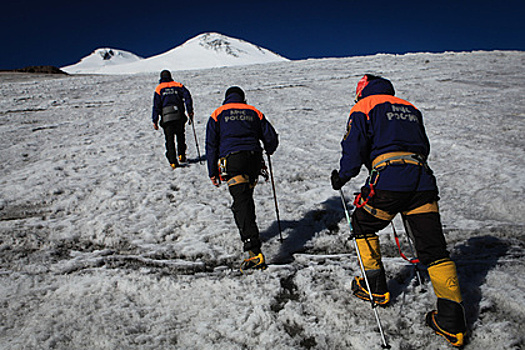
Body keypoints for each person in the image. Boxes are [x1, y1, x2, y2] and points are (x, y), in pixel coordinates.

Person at [331, 74, 467, 347]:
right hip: (422, 180)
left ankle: (375, 288)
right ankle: (452, 321)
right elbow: (423, 147)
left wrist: (343, 176)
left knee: (362, 223)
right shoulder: (410, 109)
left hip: (390, 181)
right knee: (433, 248)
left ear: (362, 90)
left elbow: (354, 146)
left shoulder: (364, 107)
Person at [206, 86, 278, 272]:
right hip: (254, 159)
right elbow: (271, 137)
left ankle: (253, 251)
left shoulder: (218, 114)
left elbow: (211, 145)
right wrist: (269, 149)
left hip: (233, 160)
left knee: (241, 202)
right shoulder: (254, 111)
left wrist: (212, 171)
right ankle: (251, 236)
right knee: (246, 199)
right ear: (242, 98)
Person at [151, 70, 194, 168]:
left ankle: (173, 161)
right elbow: (187, 96)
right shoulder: (178, 85)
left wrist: (155, 120)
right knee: (180, 136)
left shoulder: (159, 88)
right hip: (179, 115)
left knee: (169, 140)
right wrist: (190, 110)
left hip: (166, 118)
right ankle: (181, 155)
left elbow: (156, 105)